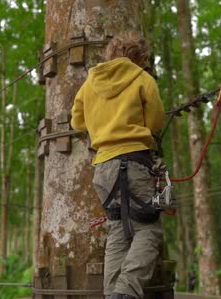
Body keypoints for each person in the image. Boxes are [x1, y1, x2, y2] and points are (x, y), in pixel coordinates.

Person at [71, 31, 165, 299]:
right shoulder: (142, 78)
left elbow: (77, 122)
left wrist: (101, 123)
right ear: (140, 58)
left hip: (103, 167)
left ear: (111, 53)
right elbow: (155, 122)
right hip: (135, 161)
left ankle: (112, 293)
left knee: (118, 230)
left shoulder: (90, 83)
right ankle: (125, 291)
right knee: (148, 228)